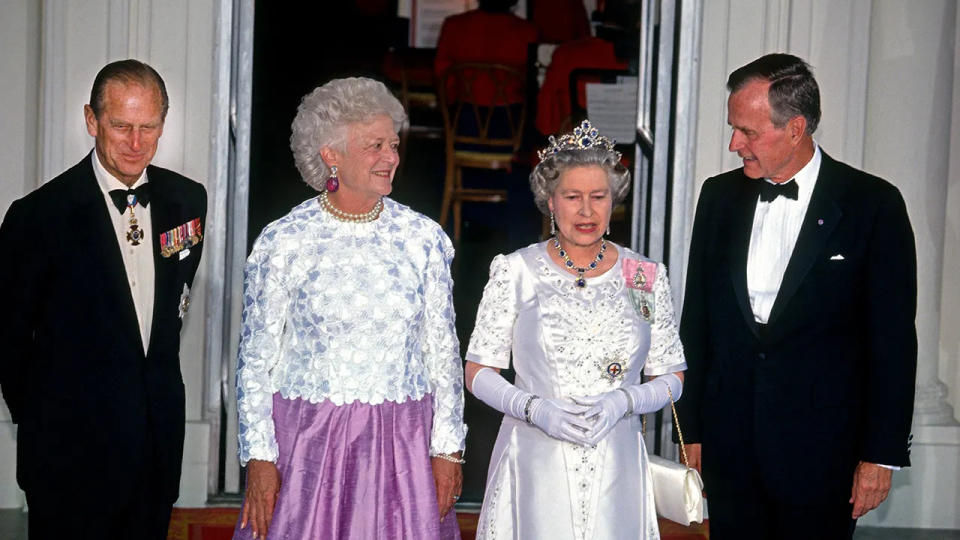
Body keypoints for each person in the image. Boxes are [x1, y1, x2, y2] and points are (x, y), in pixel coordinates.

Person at [677, 53, 917, 539]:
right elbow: (697, 319)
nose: (733, 144)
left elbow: (892, 341)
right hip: (730, 446)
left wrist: (880, 454)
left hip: (825, 455)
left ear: (795, 128)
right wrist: (691, 429)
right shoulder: (718, 197)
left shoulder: (872, 204)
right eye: (733, 128)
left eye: (747, 131)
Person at [233, 77, 467, 540]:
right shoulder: (284, 241)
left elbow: (443, 351)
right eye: (374, 145)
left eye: (394, 144)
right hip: (308, 445)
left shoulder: (423, 240)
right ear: (330, 154)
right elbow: (255, 361)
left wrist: (449, 449)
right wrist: (260, 457)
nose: (391, 157)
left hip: (402, 446)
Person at [0, 59, 207, 539]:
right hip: (68, 460)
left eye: (148, 127)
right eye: (120, 126)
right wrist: (48, 423)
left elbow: (170, 312)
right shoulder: (37, 217)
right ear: (91, 121)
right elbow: (9, 343)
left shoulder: (187, 200)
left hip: (155, 448)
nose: (136, 143)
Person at [464, 119, 686, 539]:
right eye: (573, 197)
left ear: (613, 200)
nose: (587, 211)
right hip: (534, 463)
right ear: (551, 202)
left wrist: (625, 401)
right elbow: (477, 372)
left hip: (617, 466)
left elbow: (672, 376)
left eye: (598, 197)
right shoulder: (516, 271)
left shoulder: (643, 275)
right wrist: (534, 409)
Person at [434, 0, 538, 106]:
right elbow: (531, 79)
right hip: (512, 113)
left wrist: (450, 102)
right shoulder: (527, 30)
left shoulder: (453, 25)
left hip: (464, 111)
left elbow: (443, 73)